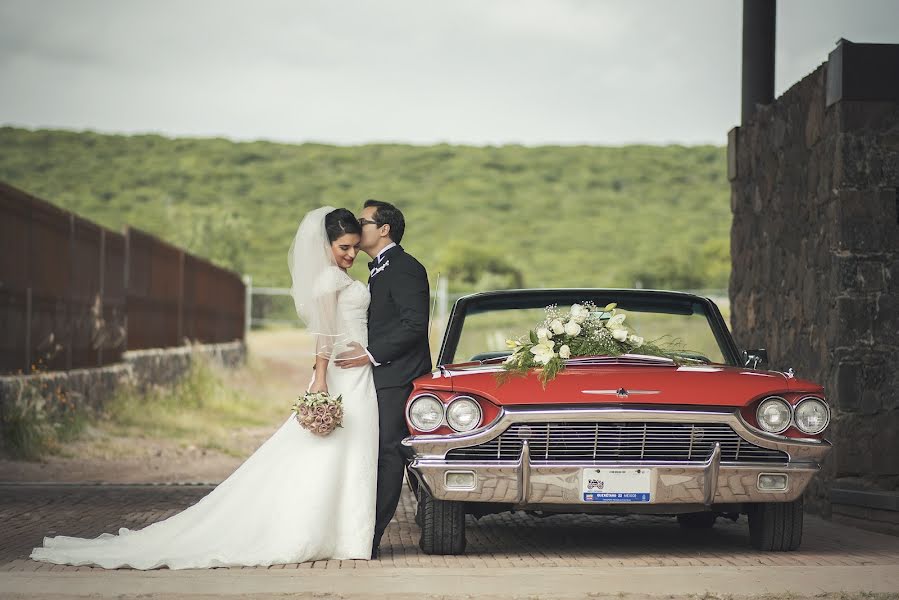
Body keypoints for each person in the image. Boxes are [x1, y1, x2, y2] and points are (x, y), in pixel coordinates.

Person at [30, 207, 379, 569]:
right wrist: (320, 378)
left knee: (349, 453)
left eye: (354, 247)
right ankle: (325, 533)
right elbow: (323, 335)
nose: (351, 255)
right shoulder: (328, 282)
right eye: (343, 248)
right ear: (326, 245)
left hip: (357, 375)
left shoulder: (337, 277)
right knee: (330, 452)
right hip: (338, 376)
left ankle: (344, 535)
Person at [335, 199, 431, 559]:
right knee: (381, 453)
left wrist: (371, 354)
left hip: (398, 376)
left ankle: (368, 537)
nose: (359, 227)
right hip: (377, 375)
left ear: (384, 229)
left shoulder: (405, 268)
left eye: (364, 221)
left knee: (390, 453)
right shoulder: (378, 268)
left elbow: (414, 324)